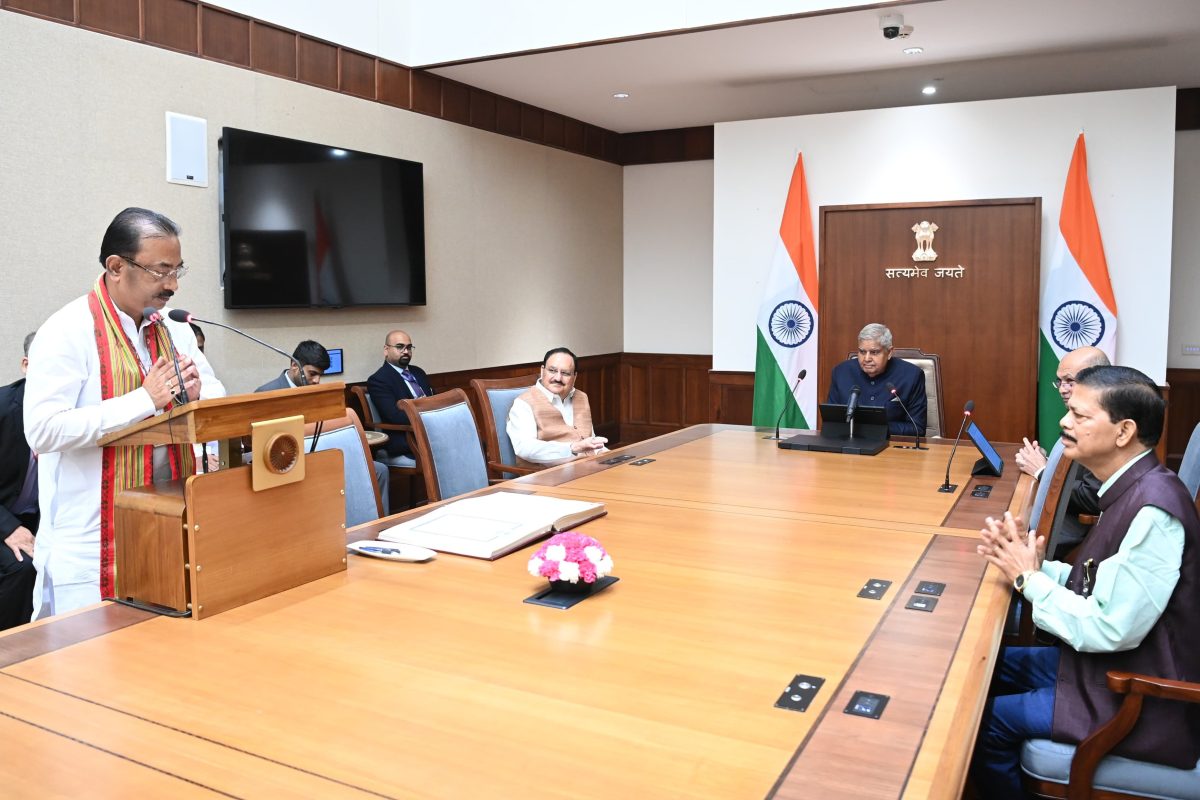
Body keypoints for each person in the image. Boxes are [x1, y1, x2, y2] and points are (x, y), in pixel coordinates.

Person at [973, 365, 1200, 799]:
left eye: (1080, 416)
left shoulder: (1155, 511)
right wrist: (1033, 562)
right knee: (979, 667)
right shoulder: (1131, 487)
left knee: (986, 721)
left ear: (1123, 431)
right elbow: (1106, 581)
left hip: (1137, 695)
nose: (1064, 422)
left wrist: (1029, 578)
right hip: (1104, 669)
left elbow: (1109, 628)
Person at [24, 208, 225, 617]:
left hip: (171, 525)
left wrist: (197, 397)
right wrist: (143, 401)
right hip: (93, 540)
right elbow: (42, 431)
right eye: (160, 271)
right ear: (116, 266)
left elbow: (215, 396)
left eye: (177, 271)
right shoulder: (66, 331)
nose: (172, 286)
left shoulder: (175, 328)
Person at [1014, 346, 1109, 555]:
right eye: (1060, 381)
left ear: (1097, 381)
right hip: (1044, 519)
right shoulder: (1078, 416)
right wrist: (1045, 462)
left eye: (1070, 381)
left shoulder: (1100, 427)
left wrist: (1042, 472)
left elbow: (1093, 497)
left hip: (1060, 534)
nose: (1062, 389)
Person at [506, 347, 607, 466]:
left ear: (574, 377)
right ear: (542, 370)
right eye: (552, 371)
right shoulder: (523, 403)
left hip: (589, 469)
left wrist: (608, 455)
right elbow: (525, 448)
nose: (558, 378)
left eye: (565, 373)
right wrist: (573, 448)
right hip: (547, 477)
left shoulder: (582, 397)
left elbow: (591, 441)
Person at [826, 323, 926, 436]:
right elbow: (831, 422)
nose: (867, 358)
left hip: (891, 447)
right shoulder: (841, 372)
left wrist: (875, 427)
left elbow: (917, 428)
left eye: (874, 352)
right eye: (862, 352)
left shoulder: (911, 376)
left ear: (889, 352)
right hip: (848, 444)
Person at [0, 333, 38, 629]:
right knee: (22, 568)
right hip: (4, 517)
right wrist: (10, 529)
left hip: (36, 518)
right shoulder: (2, 407)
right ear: (26, 365)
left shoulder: (73, 413)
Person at [367, 330, 433, 460]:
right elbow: (394, 416)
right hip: (407, 437)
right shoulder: (379, 380)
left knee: (471, 440)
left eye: (409, 347)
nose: (406, 351)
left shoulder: (418, 372)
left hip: (432, 430)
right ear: (386, 350)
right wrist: (427, 414)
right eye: (399, 347)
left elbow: (434, 399)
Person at [255, 340, 329, 391]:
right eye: (312, 374)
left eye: (320, 375)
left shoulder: (317, 392)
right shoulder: (266, 392)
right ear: (295, 365)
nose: (317, 381)